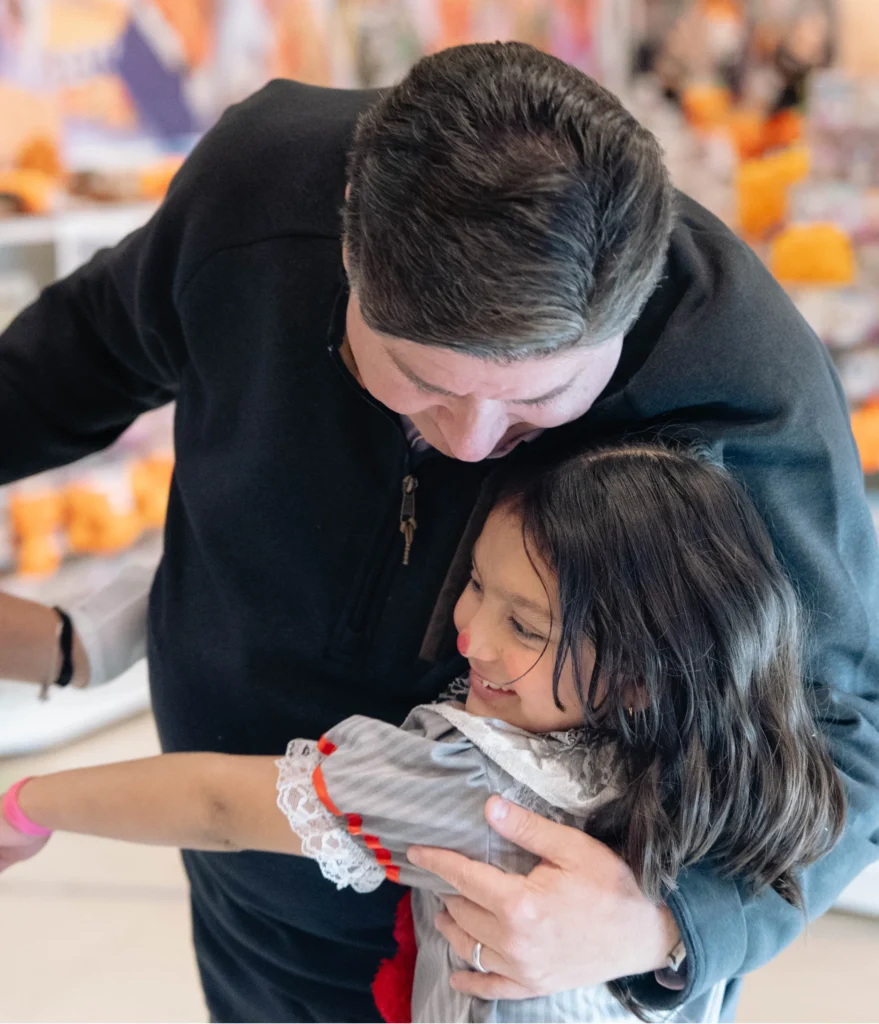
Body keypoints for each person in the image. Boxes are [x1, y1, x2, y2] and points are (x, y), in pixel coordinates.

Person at [0, 40, 877, 1024]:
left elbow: (854, 727)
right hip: (248, 893)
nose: (470, 445)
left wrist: (666, 925)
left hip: (534, 959)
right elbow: (70, 359)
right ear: (346, 250)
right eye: (419, 382)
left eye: (538, 407)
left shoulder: (745, 383)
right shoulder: (256, 192)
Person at [0, 444, 847, 1024]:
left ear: (636, 676)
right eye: (475, 585)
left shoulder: (474, 786)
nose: (470, 636)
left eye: (525, 626)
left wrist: (29, 805)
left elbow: (217, 804)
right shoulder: (740, 765)